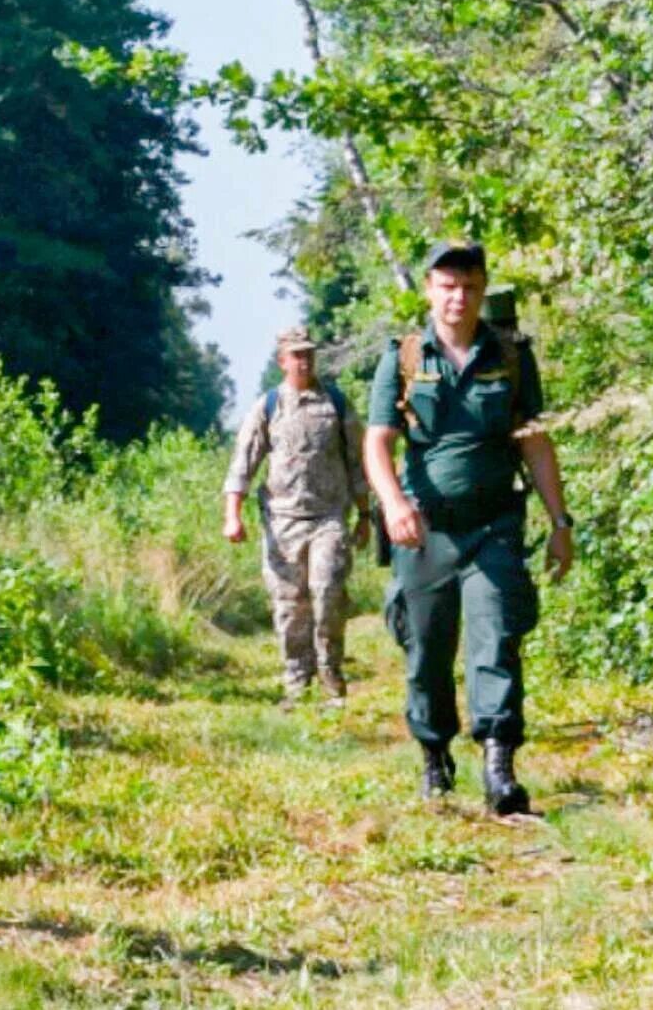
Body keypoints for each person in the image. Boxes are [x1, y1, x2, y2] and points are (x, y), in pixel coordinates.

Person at [363, 243, 574, 814]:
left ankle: (499, 765)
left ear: (482, 291)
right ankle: (434, 756)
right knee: (427, 651)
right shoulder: (404, 357)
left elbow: (534, 440)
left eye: (470, 287)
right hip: (424, 532)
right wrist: (392, 504)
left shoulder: (508, 354)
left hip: (493, 527)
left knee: (496, 641)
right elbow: (377, 440)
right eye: (448, 286)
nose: (459, 298)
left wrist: (559, 521)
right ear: (430, 289)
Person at [223, 327, 371, 708]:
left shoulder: (336, 404)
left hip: (328, 518)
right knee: (290, 608)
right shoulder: (269, 406)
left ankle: (331, 677)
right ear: (282, 361)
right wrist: (233, 515)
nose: (304, 361)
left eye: (308, 354)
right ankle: (296, 682)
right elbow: (244, 461)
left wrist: (366, 514)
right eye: (296, 355)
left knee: (328, 595)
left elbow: (358, 461)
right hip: (282, 522)